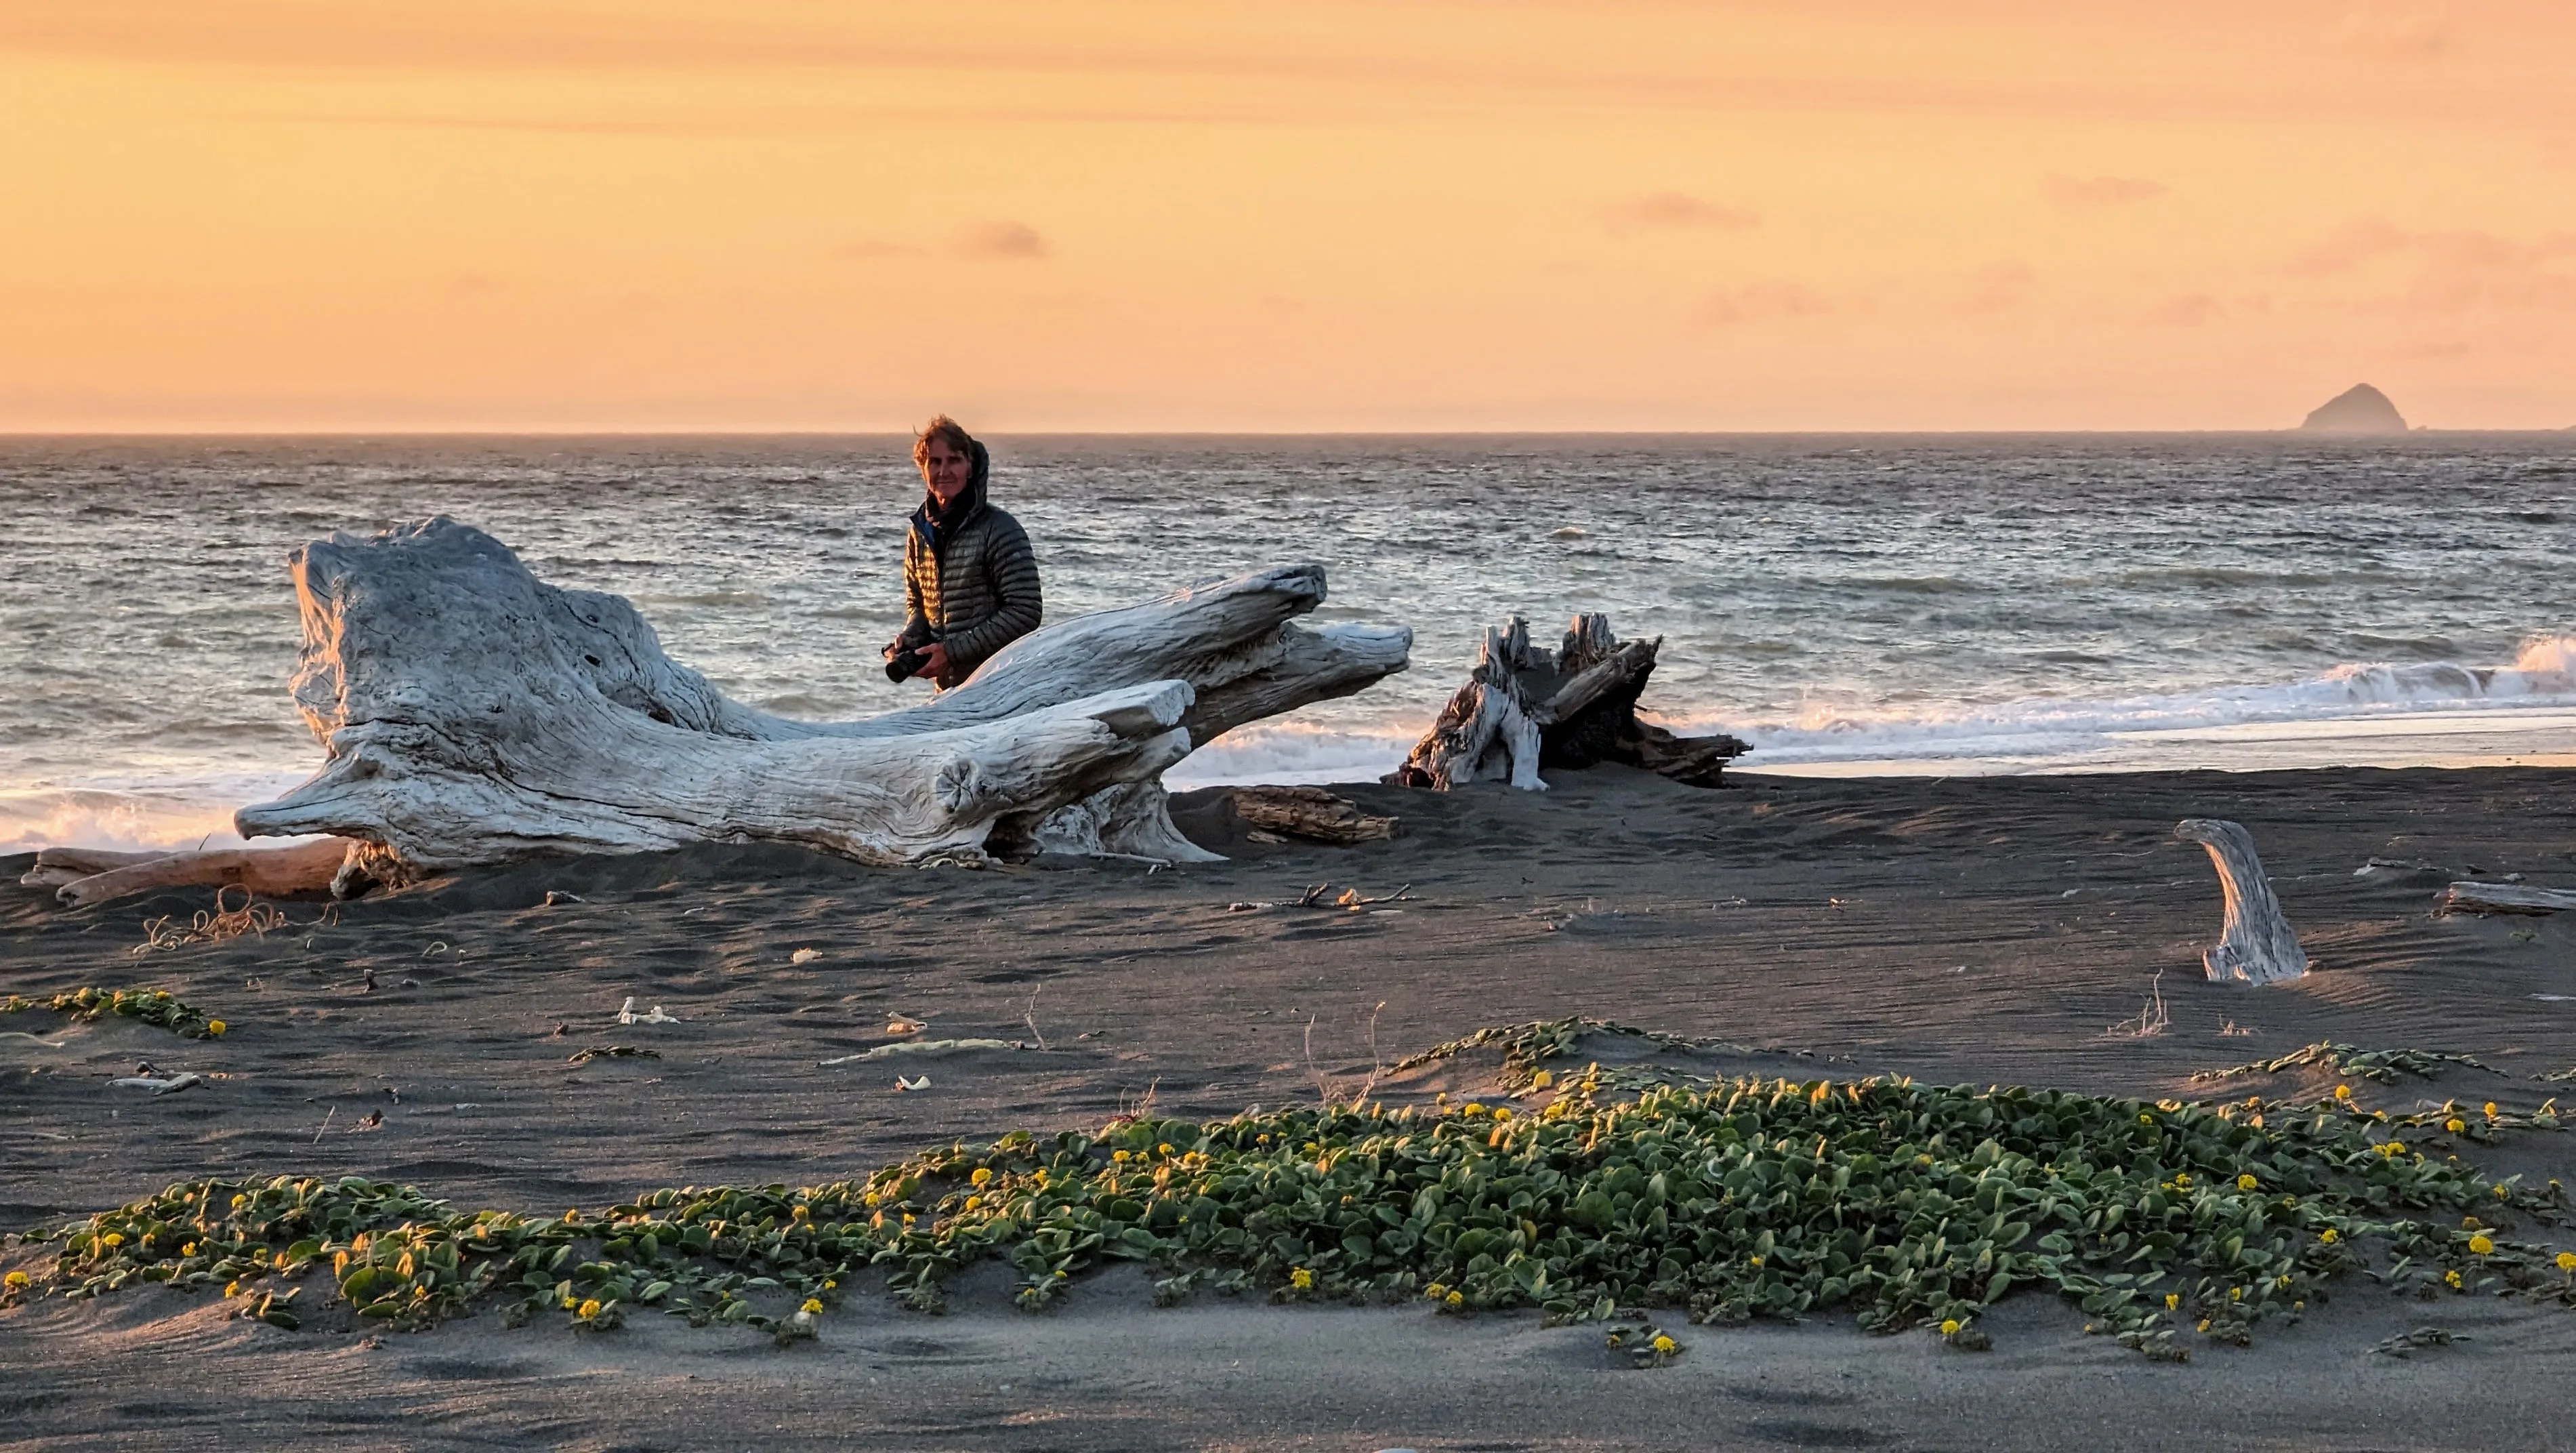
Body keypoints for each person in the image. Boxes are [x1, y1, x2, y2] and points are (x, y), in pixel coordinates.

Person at [884, 415, 1042, 691]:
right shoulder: (919, 533)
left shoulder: (1000, 529)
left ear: (970, 467)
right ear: (923, 470)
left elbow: (1026, 611)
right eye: (935, 462)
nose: (944, 471)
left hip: (1000, 685)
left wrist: (952, 651)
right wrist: (910, 639)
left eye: (954, 459)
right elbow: (919, 606)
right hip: (947, 691)